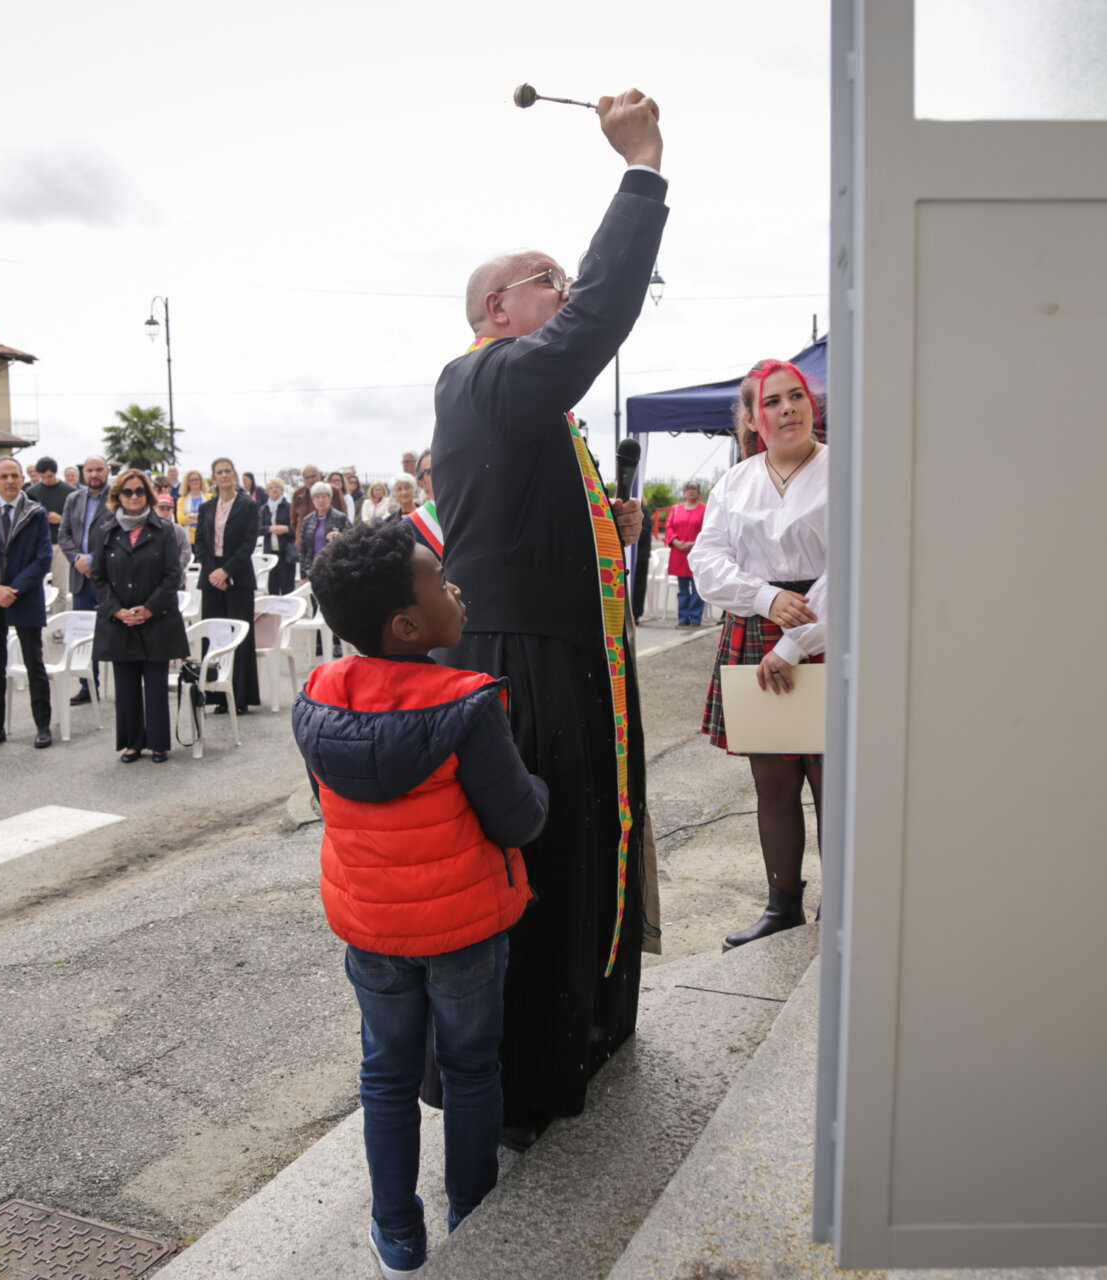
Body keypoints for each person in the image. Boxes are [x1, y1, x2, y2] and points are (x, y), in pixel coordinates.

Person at [430, 88, 663, 1144]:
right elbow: (595, 321)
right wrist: (641, 172)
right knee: (543, 867)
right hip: (523, 666)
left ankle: (592, 1029)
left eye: (564, 281)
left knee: (592, 851)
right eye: (547, 284)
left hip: (577, 659)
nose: (565, 295)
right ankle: (528, 1075)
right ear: (497, 312)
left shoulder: (530, 405)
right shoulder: (480, 378)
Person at [293, 520, 546, 1275]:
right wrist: (542, 785)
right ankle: (471, 1213)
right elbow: (518, 818)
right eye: (440, 581)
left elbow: (329, 799)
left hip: (370, 930)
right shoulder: (467, 704)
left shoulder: (318, 696)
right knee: (471, 1069)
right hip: (464, 931)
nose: (456, 588)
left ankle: (397, 1231)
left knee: (386, 1075)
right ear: (407, 625)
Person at [690, 360, 828, 949]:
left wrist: (797, 642)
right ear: (751, 417)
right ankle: (783, 907)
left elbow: (859, 565)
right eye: (772, 402)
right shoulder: (736, 482)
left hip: (830, 628)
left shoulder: (846, 471)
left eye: (796, 396)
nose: (788, 409)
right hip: (755, 629)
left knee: (835, 781)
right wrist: (767, 599)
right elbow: (706, 563)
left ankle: (845, 907)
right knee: (772, 783)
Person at [92, 468, 189, 763]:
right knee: (126, 686)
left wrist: (148, 609)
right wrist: (116, 610)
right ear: (117, 496)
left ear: (147, 495)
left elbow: (173, 575)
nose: (133, 497)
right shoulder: (106, 531)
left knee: (156, 685)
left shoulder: (164, 530)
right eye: (127, 492)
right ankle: (132, 742)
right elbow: (98, 577)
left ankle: (159, 743)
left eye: (139, 492)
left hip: (156, 619)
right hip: (120, 622)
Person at [0, 456, 54, 748]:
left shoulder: (36, 512)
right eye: (3, 476)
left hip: (24, 595)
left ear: (22, 479)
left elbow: (42, 558)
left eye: (14, 475)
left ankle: (42, 726)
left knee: (34, 663)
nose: (10, 481)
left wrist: (13, 589)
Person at [194, 455, 261, 713]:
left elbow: (248, 543)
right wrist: (214, 572)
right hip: (211, 578)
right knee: (215, 638)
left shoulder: (247, 505)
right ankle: (216, 696)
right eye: (219, 472)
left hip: (238, 576)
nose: (224, 475)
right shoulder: (206, 508)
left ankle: (241, 697)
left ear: (234, 475)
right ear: (214, 477)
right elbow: (199, 541)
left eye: (228, 471)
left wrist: (227, 572)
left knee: (239, 638)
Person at [60, 454, 114, 705]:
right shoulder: (73, 498)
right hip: (81, 577)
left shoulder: (118, 497)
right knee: (83, 633)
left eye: (99, 470)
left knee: (115, 631)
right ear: (83, 473)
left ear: (107, 471)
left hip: (109, 576)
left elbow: (118, 533)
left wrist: (93, 559)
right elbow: (64, 534)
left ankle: (124, 686)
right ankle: (88, 686)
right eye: (89, 470)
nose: (94, 474)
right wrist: (77, 560)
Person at [23, 456, 73, 614]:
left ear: (55, 473)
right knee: (36, 584)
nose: (46, 480)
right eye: (43, 477)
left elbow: (78, 520)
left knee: (60, 587)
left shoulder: (70, 492)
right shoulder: (31, 492)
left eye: (50, 476)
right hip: (38, 543)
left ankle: (57, 623)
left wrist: (61, 520)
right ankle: (38, 617)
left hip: (60, 543)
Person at [663, 481, 707, 628]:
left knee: (697, 587)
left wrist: (694, 543)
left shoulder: (705, 509)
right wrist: (676, 542)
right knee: (682, 589)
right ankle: (683, 618)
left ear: (699, 492)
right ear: (684, 492)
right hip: (679, 554)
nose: (691, 491)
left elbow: (708, 529)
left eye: (694, 489)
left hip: (697, 553)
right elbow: (669, 527)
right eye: (689, 489)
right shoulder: (676, 509)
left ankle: (695, 618)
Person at [298, 481, 350, 571]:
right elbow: (303, 550)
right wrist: (303, 573)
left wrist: (340, 537)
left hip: (333, 567)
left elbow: (352, 539)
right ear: (313, 500)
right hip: (312, 568)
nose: (320, 500)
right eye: (317, 497)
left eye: (324, 497)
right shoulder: (307, 520)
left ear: (330, 498)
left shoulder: (341, 517)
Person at [261, 477, 296, 595]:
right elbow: (257, 528)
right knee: (272, 587)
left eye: (277, 487)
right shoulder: (264, 509)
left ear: (282, 490)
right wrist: (269, 529)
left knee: (287, 587)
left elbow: (297, 527)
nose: (274, 490)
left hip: (286, 552)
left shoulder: (289, 507)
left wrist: (286, 529)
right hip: (270, 552)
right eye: (271, 488)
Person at [154, 494, 194, 575]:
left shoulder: (179, 530)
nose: (165, 512)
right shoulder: (148, 530)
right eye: (161, 508)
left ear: (172, 510)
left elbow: (186, 553)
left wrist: (174, 569)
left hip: (175, 576)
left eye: (168, 509)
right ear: (154, 509)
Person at [290, 464, 323, 544]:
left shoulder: (333, 491)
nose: (311, 480)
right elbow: (293, 521)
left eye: (313, 476)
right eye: (307, 478)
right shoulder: (298, 494)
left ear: (320, 476)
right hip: (304, 543)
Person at [175, 468, 209, 545]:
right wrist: (201, 517)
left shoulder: (209, 497)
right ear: (187, 482)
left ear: (201, 481)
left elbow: (210, 517)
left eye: (196, 479)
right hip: (188, 539)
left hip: (206, 537)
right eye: (191, 480)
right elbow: (181, 520)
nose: (194, 482)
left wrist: (191, 516)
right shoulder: (181, 500)